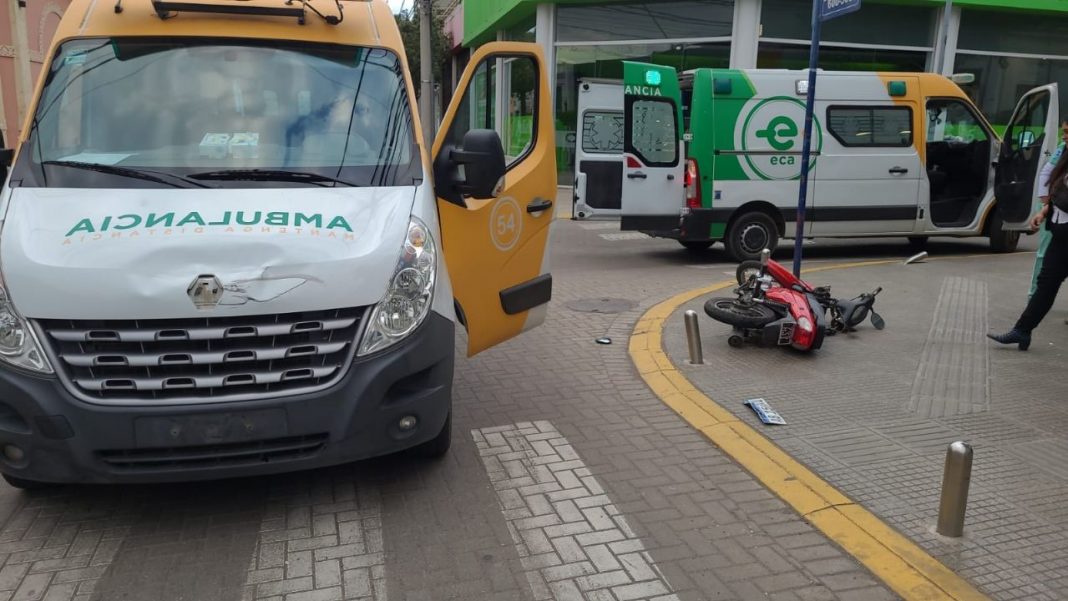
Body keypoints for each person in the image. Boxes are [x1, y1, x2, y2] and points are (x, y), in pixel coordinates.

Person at [988, 142, 1068, 350]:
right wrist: (1043, 212)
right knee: (1046, 283)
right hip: (1061, 236)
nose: (1065, 138)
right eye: (1064, 132)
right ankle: (1022, 331)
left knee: (1047, 284)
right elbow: (1059, 194)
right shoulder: (1064, 157)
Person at [1030, 120, 1068, 298]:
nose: (1064, 136)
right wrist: (1047, 204)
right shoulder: (1063, 147)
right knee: (1045, 256)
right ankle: (1035, 295)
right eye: (1064, 132)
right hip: (1056, 210)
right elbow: (1047, 172)